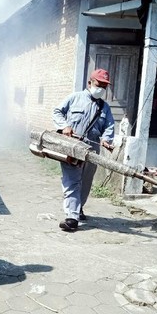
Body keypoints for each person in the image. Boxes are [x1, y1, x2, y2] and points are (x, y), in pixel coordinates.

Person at [52, 69, 115, 232]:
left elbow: (109, 126)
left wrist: (106, 140)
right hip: (72, 148)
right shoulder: (74, 98)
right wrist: (64, 126)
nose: (101, 88)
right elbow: (57, 112)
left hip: (92, 151)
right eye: (98, 84)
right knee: (72, 181)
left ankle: (78, 207)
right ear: (90, 83)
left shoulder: (105, 107)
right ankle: (72, 218)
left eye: (104, 86)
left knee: (86, 182)